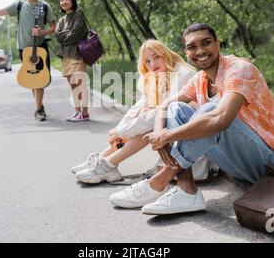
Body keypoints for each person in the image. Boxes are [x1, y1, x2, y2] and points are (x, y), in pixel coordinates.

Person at [109, 23, 274, 215]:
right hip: (234, 163)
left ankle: (158, 181)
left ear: (217, 45)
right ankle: (187, 192)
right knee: (175, 108)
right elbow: (164, 106)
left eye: (206, 43)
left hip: (270, 163)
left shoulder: (240, 69)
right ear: (186, 52)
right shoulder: (200, 79)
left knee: (211, 110)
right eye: (192, 47)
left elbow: (221, 119)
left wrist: (167, 136)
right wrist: (159, 134)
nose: (200, 51)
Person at [72, 39, 213, 189]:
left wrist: (122, 131)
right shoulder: (157, 77)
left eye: (157, 56)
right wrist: (120, 130)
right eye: (147, 61)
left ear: (165, 54)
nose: (152, 64)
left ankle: (109, 164)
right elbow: (138, 107)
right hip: (177, 139)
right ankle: (104, 158)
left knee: (151, 121)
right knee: (143, 114)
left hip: (198, 147)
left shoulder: (183, 75)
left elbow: (161, 114)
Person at [54, 0, 90, 122]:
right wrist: (66, 35)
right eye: (61, 0)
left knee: (80, 84)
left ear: (72, 1)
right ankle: (77, 111)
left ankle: (85, 113)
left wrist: (65, 36)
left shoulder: (78, 15)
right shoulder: (61, 20)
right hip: (66, 56)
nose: (64, 2)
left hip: (77, 54)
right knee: (73, 86)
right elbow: (57, 36)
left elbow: (75, 34)